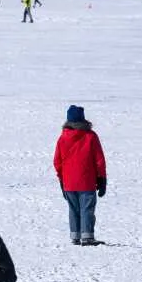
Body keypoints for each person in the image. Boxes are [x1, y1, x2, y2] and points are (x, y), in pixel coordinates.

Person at [53, 105, 107, 245]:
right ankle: (87, 236)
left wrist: (61, 179)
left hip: (69, 182)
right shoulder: (90, 136)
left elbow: (57, 161)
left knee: (73, 209)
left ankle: (75, 236)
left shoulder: (62, 138)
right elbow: (99, 159)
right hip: (87, 181)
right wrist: (102, 178)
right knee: (87, 209)